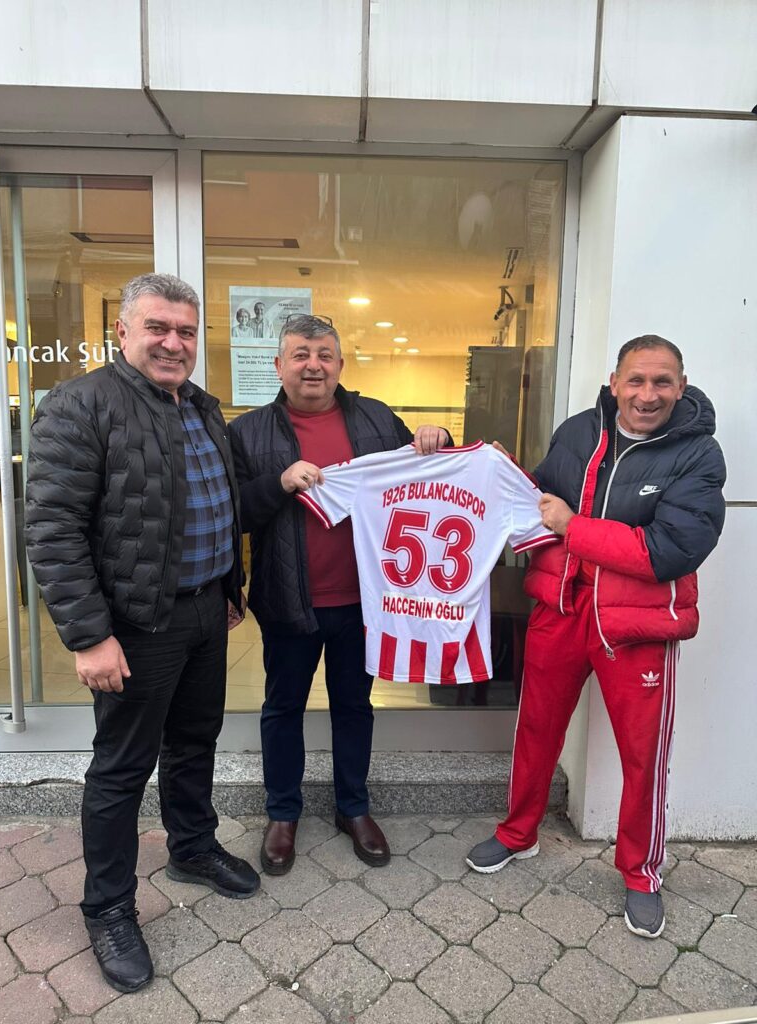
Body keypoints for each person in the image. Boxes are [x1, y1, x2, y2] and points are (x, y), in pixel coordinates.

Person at [24, 273, 259, 994]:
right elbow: (53, 530)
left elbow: (217, 504)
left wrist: (226, 588)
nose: (173, 342)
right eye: (157, 327)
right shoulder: (81, 405)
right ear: (122, 332)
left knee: (194, 740)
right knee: (122, 768)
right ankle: (108, 909)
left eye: (186, 331)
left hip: (203, 612)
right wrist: (89, 637)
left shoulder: (201, 407)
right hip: (134, 625)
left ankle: (191, 847)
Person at [466, 335, 726, 940]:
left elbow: (669, 551)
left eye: (662, 382)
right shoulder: (579, 430)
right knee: (536, 727)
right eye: (636, 380)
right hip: (561, 603)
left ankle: (641, 872)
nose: (647, 394)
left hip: (635, 621)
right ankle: (518, 833)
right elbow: (540, 498)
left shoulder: (698, 453)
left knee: (643, 752)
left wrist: (574, 527)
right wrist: (502, 471)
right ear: (614, 382)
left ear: (681, 387)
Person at [229, 314, 450, 875]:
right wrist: (279, 483)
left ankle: (353, 807)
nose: (313, 365)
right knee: (283, 708)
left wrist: (438, 439)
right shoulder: (248, 432)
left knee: (354, 706)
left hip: (365, 602)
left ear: (340, 364)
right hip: (288, 600)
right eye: (301, 355)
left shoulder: (376, 418)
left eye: (324, 355)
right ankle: (282, 813)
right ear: (278, 366)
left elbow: (426, 478)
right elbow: (233, 513)